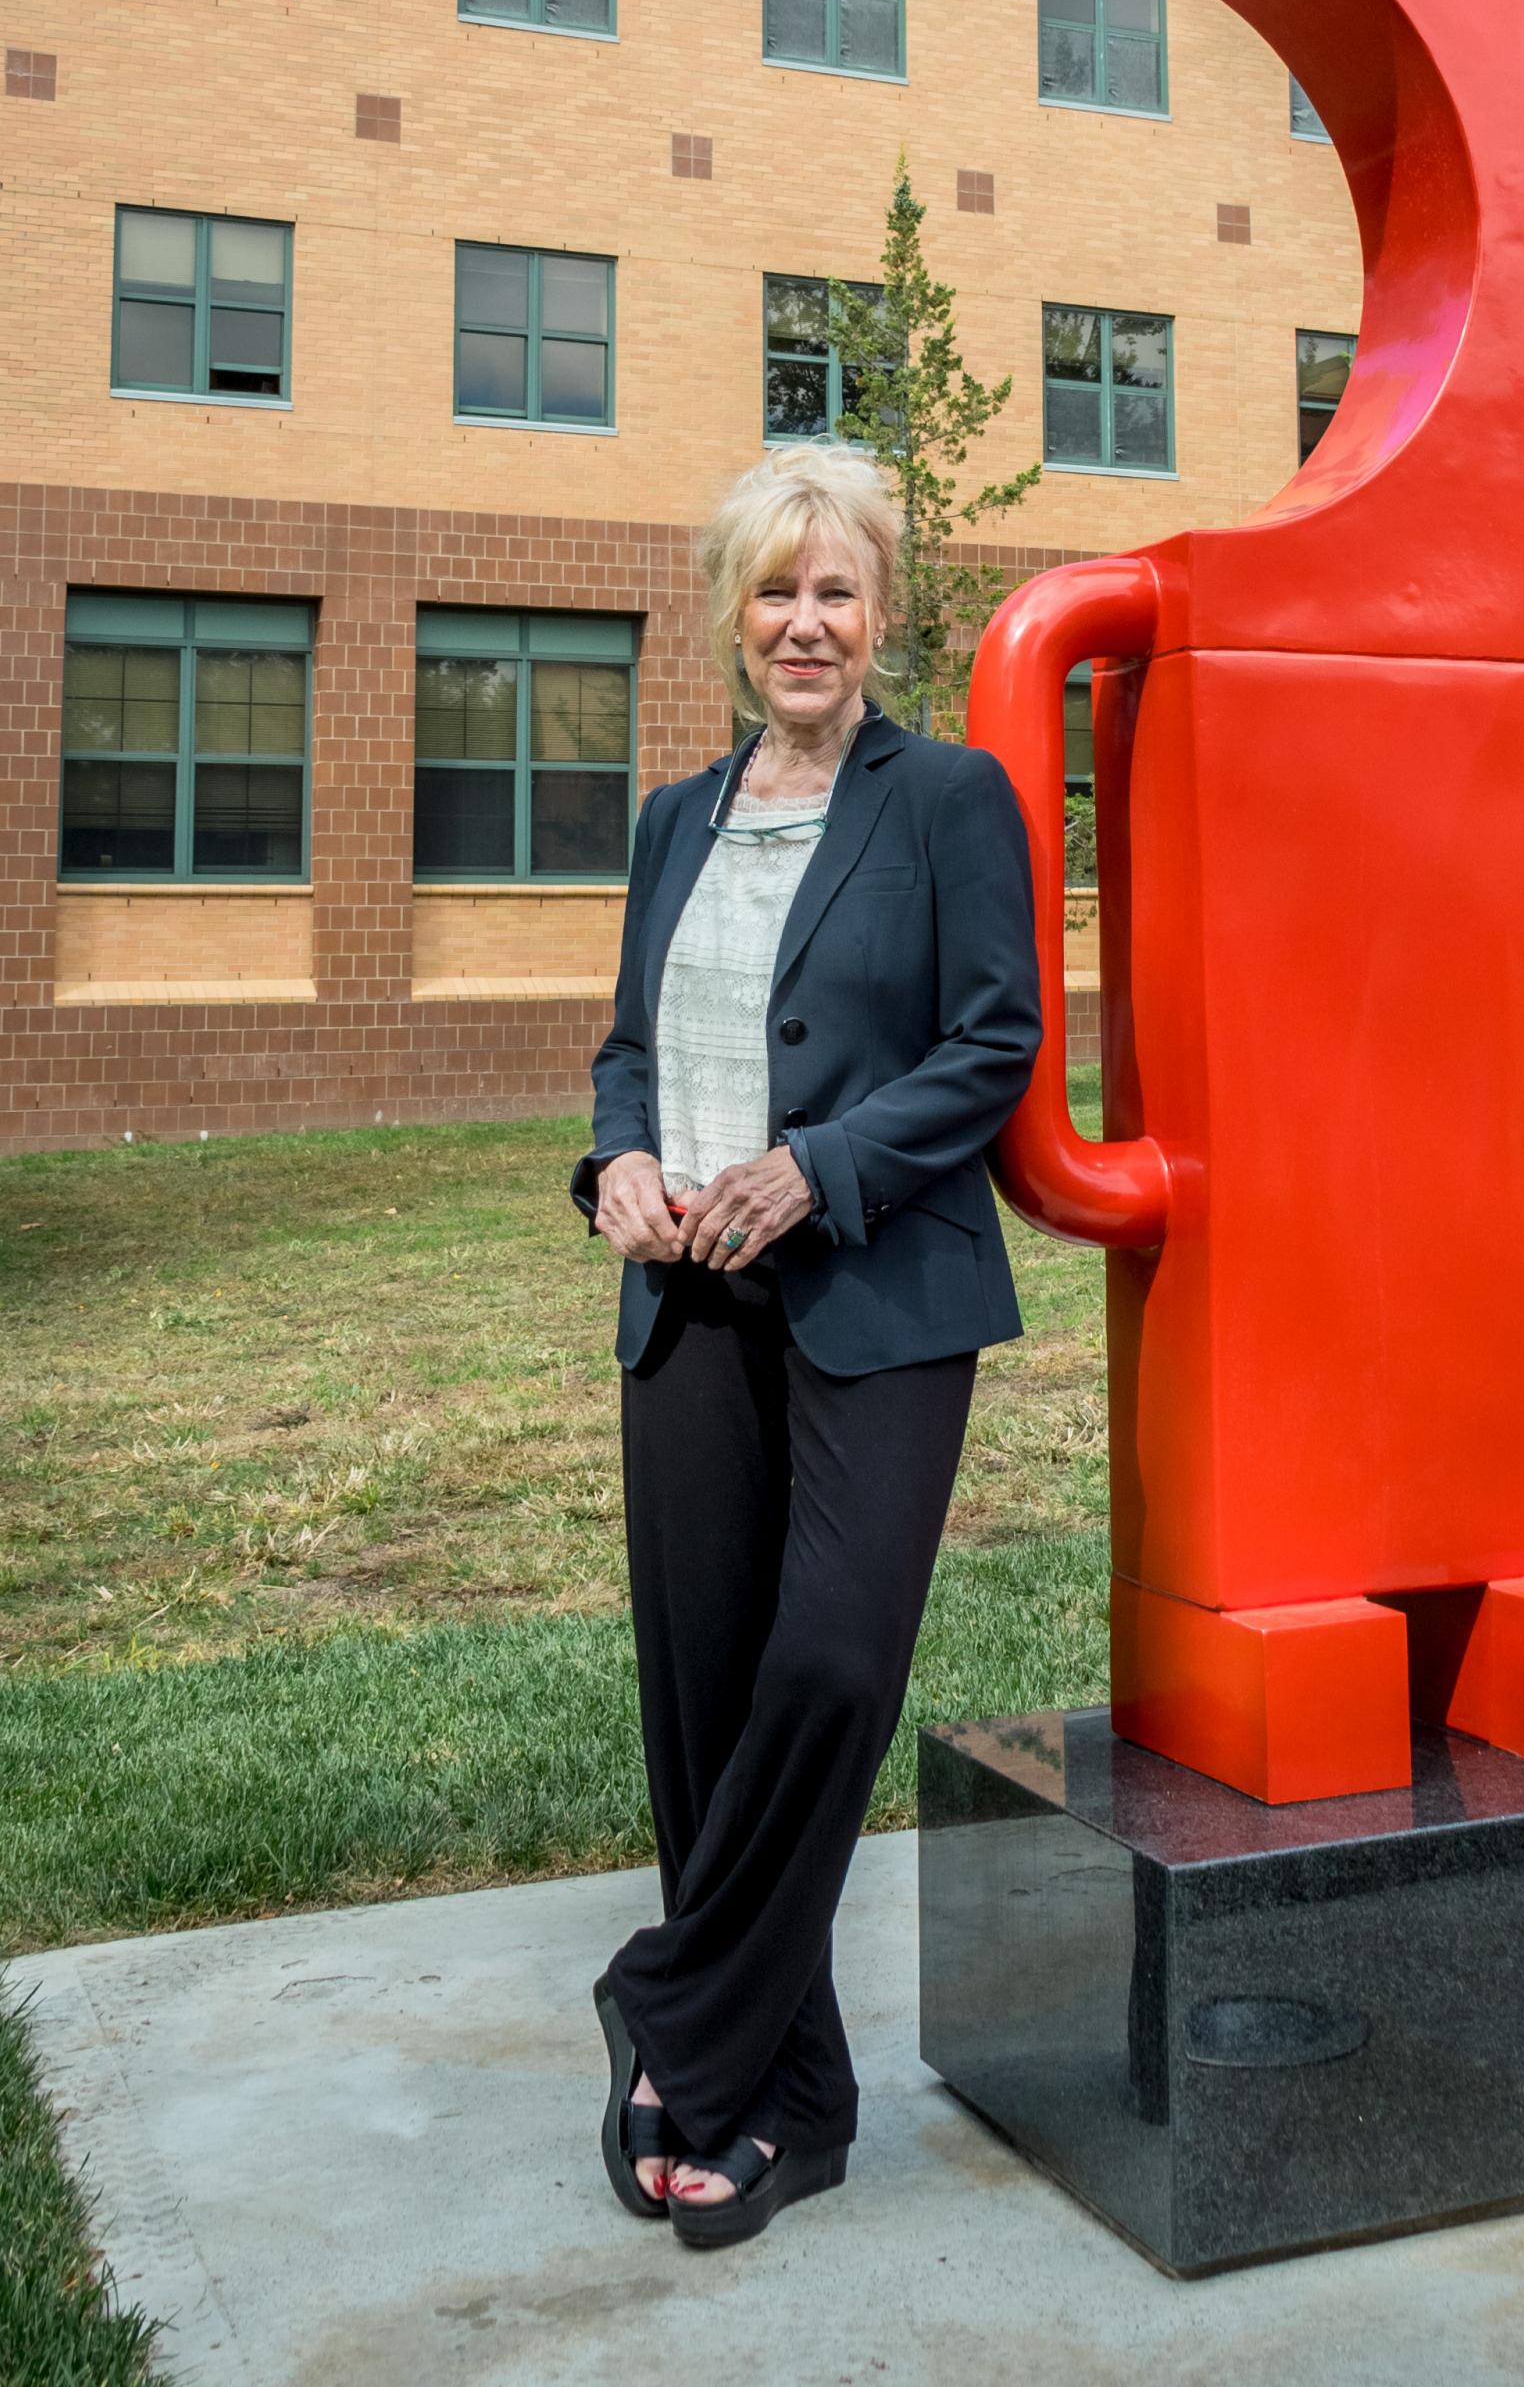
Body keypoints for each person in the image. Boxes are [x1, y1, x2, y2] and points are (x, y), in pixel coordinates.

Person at [571, 441, 1042, 2251]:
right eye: (777, 590)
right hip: (684, 1294)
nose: (807, 623)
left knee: (831, 1662)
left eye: (837, 590)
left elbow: (989, 1046)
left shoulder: (950, 802)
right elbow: (630, 1047)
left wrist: (818, 1168)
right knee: (703, 1704)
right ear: (731, 613)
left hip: (878, 1289)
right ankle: (786, 2099)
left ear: (882, 612)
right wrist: (613, 1162)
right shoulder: (671, 822)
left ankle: (669, 2002)